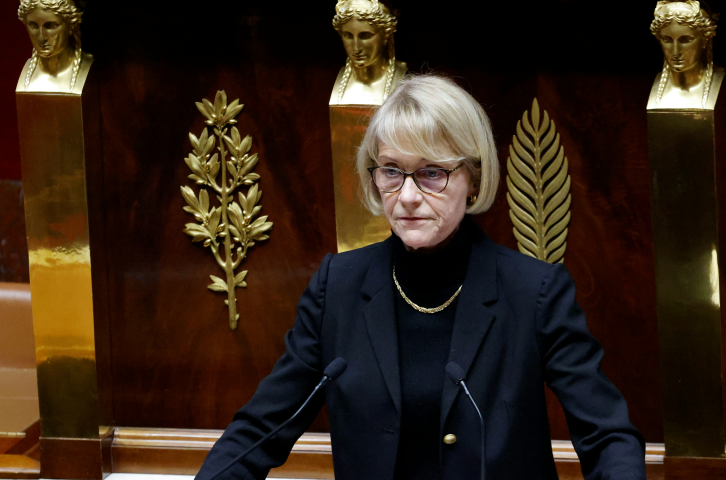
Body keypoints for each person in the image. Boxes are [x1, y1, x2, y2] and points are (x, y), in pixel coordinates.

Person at [196, 75, 646, 480]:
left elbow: (608, 438)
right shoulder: (340, 286)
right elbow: (260, 429)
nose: (407, 196)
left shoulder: (534, 291)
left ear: (473, 177)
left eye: (431, 173)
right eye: (391, 171)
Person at [329, 0, 407, 105]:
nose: (356, 48)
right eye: (348, 35)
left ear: (386, 34)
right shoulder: (340, 80)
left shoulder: (400, 74)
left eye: (365, 36)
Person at [649, 0, 722, 109]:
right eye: (667, 40)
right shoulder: (647, 86)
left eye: (685, 40)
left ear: (705, 40)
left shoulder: (721, 85)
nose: (675, 52)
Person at [17, 0, 92, 94]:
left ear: (71, 26)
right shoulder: (26, 75)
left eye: (51, 26)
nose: (41, 37)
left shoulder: (89, 70)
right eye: (33, 25)